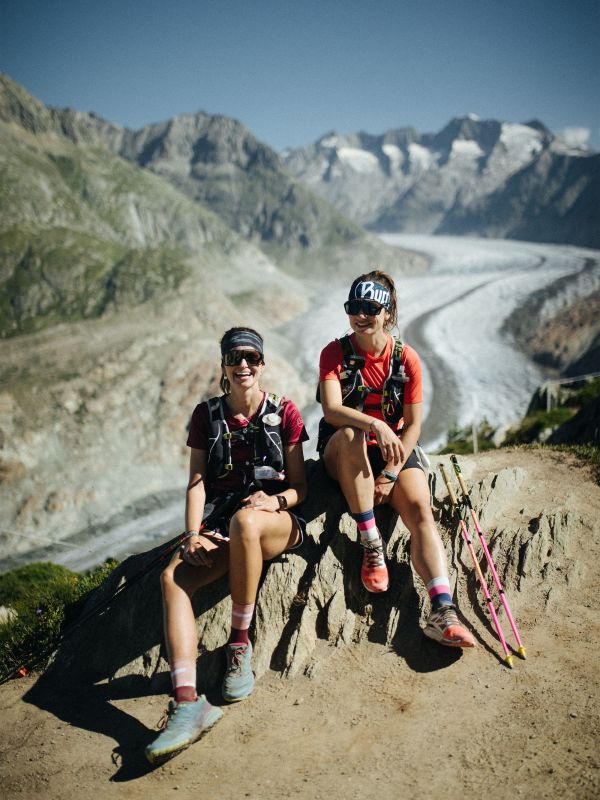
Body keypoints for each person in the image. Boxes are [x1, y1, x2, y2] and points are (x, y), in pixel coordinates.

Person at [145, 326, 308, 764]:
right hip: (223, 527)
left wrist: (274, 500)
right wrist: (193, 533)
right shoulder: (207, 416)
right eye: (235, 358)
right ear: (223, 364)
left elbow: (300, 490)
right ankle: (186, 702)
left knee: (246, 522)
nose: (243, 366)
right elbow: (197, 482)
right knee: (173, 578)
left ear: (262, 363)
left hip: (277, 525)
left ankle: (240, 644)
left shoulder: (285, 412)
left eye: (251, 358)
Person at [317, 270, 475, 649]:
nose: (361, 315)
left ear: (388, 312)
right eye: (354, 306)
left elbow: (415, 425)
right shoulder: (333, 353)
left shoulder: (407, 359)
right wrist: (376, 424)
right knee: (354, 433)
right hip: (344, 446)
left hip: (394, 451)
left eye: (371, 307)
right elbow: (332, 410)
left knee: (421, 509)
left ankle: (442, 610)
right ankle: (372, 544)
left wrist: (389, 473)